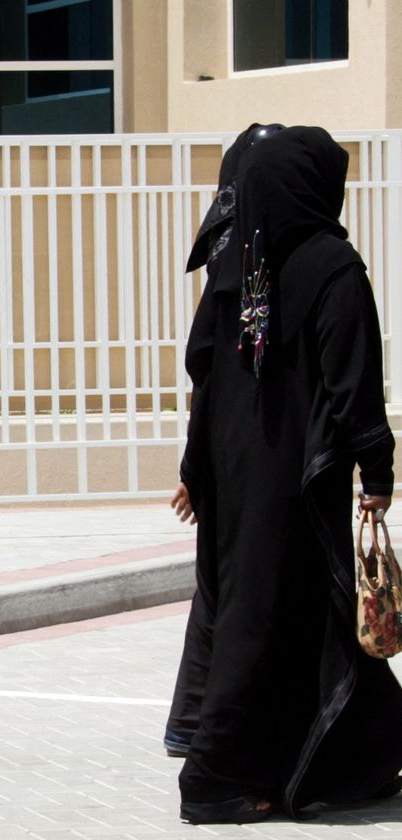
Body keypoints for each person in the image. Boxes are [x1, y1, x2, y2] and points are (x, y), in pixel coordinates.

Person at [175, 125, 402, 824]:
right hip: (299, 478)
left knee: (291, 611)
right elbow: (352, 380)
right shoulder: (331, 264)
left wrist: (195, 470)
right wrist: (377, 470)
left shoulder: (236, 263)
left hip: (235, 473)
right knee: (269, 614)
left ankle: (339, 762)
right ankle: (214, 779)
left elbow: (205, 375)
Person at [164, 123, 285, 759]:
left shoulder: (235, 254)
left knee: (217, 587)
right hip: (245, 455)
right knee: (233, 589)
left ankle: (191, 720)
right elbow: (207, 373)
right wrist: (195, 466)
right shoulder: (251, 261)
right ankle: (203, 725)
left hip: (227, 451)